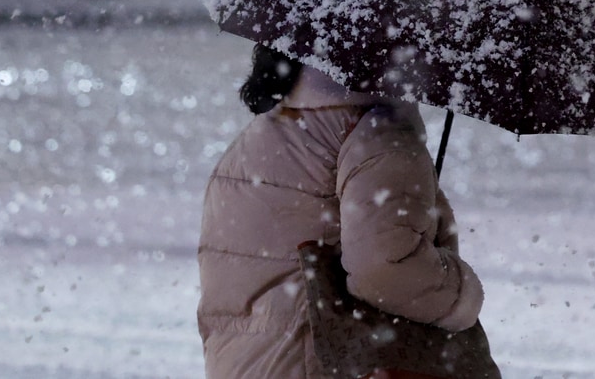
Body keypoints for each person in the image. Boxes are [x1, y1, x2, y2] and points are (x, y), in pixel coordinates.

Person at [198, 44, 487, 379]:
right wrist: (460, 292)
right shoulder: (378, 132)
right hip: (322, 363)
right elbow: (384, 271)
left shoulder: (264, 135)